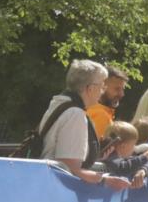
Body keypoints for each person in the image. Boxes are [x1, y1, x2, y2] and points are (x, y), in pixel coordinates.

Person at [38, 60, 131, 191]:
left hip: (47, 181)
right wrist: (104, 179)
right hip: (55, 189)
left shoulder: (60, 103)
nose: (102, 91)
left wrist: (95, 156)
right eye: (102, 86)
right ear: (90, 88)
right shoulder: (75, 114)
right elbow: (70, 169)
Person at [102, 120, 148, 185]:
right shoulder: (111, 157)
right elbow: (122, 168)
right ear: (123, 146)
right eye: (133, 145)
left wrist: (145, 169)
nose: (135, 147)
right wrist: (146, 155)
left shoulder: (133, 157)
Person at [85, 65, 128, 138]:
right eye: (117, 89)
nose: (122, 94)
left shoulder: (87, 109)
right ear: (101, 88)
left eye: (122, 89)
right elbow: (100, 149)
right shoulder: (101, 115)